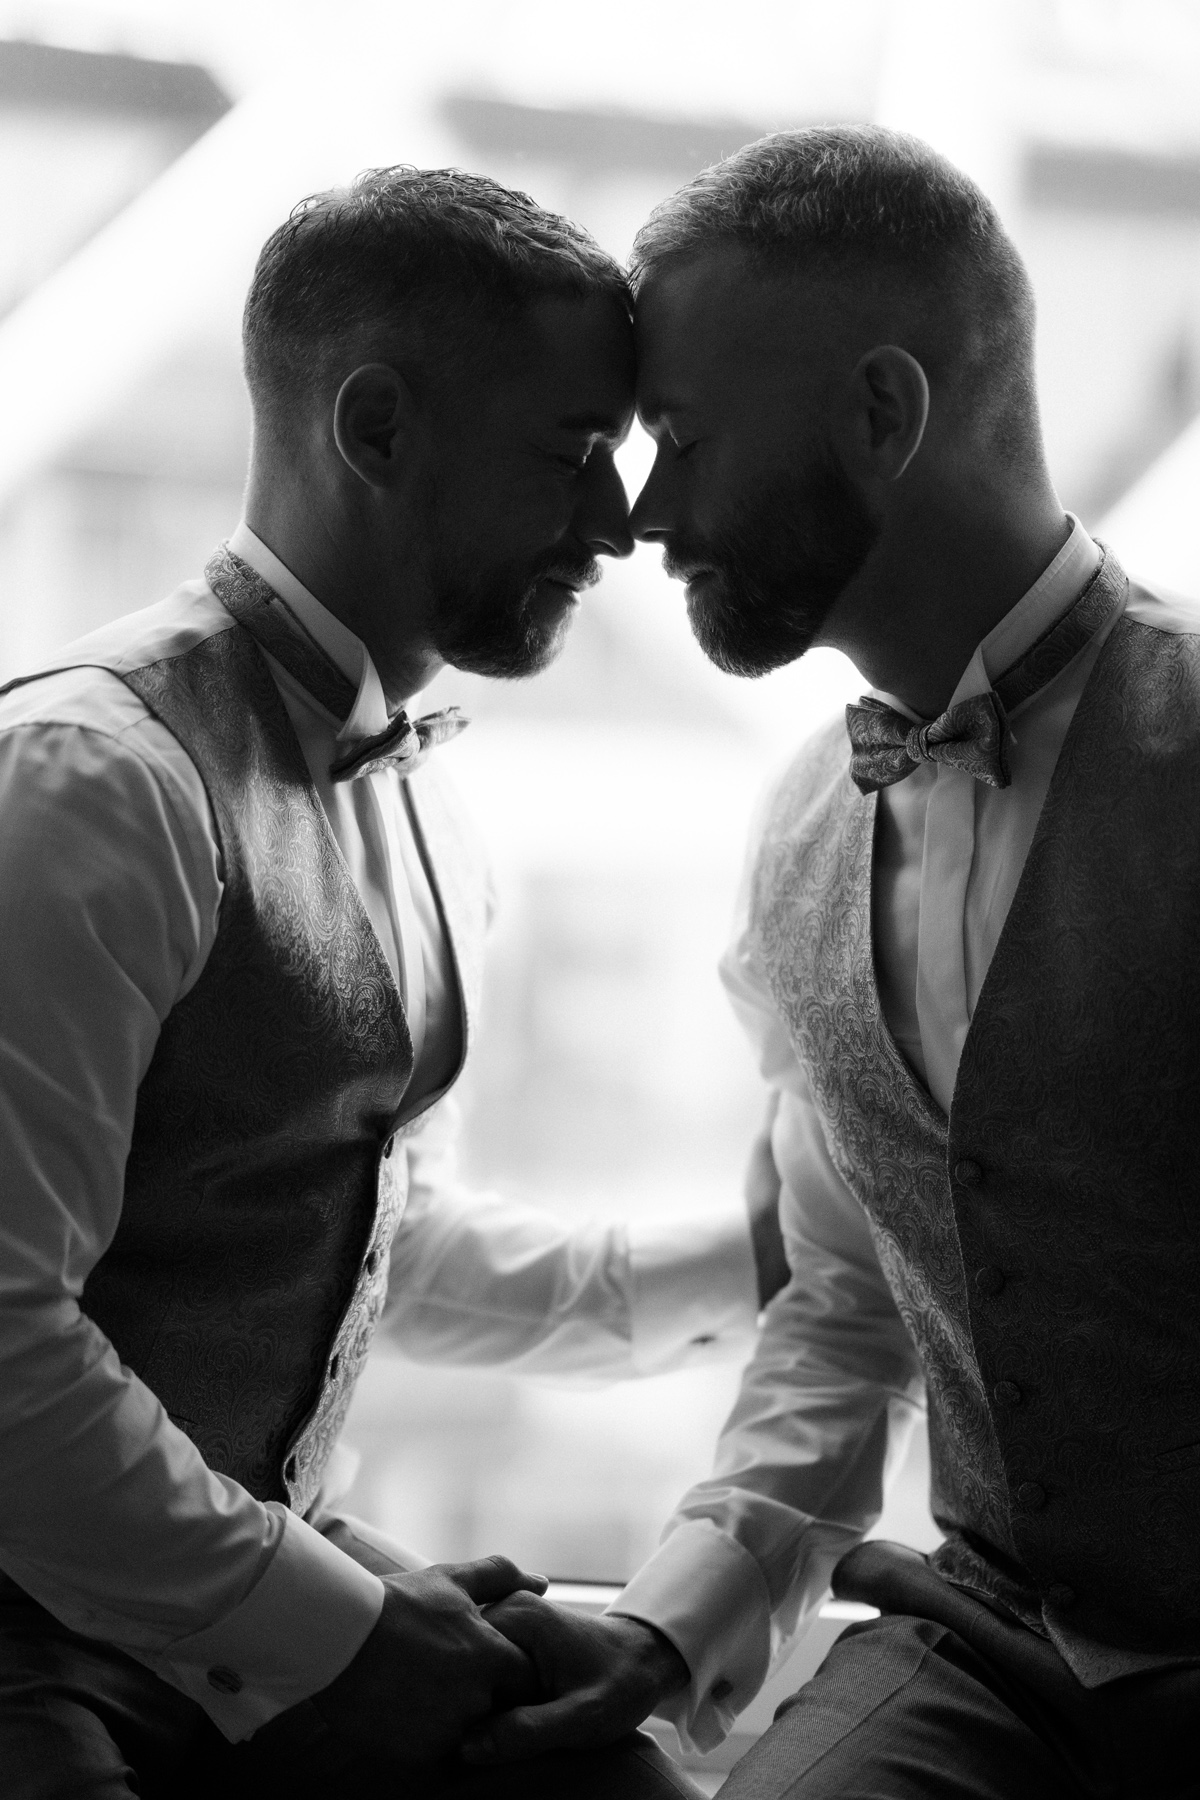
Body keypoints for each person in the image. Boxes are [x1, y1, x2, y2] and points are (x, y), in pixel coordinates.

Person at [0, 166, 788, 1800]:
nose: (619, 524)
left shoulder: (422, 795)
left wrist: (763, 1258)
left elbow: (330, 1230)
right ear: (373, 430)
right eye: (571, 456)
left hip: (230, 1598)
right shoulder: (91, 787)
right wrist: (341, 1629)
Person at [462, 128, 1200, 1799]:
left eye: (689, 441)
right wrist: (669, 1627)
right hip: (995, 1653)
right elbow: (848, 1309)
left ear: (884, 413)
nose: (645, 516)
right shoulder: (799, 833)